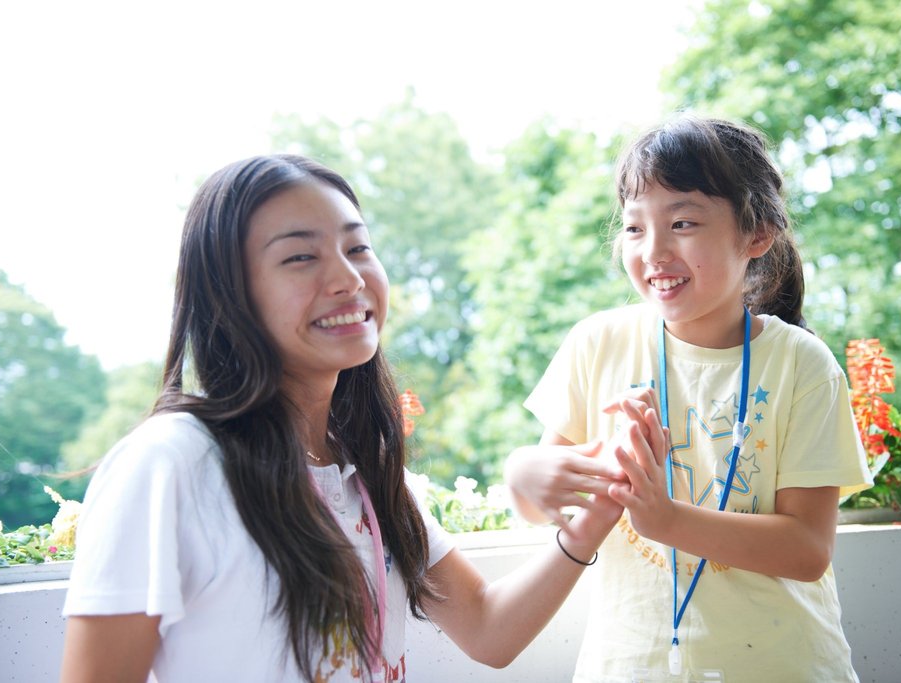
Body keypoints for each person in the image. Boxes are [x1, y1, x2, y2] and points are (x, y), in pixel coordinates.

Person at [59, 154, 621, 683]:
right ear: (229, 295)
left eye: (357, 249)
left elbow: (487, 629)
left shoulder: (365, 470)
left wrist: (591, 520)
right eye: (301, 257)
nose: (348, 279)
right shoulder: (168, 462)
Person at [504, 115, 873, 682]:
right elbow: (546, 505)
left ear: (756, 234)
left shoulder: (801, 363)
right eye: (634, 228)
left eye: (682, 222)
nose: (654, 251)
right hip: (629, 667)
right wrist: (524, 476)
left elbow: (806, 549)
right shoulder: (597, 343)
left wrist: (667, 519)